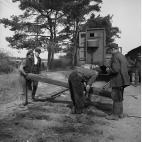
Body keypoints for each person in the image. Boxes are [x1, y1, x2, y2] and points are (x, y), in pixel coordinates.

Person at [106, 45, 130, 120]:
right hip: (123, 80)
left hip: (117, 80)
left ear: (113, 49)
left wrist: (108, 70)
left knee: (115, 97)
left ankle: (115, 115)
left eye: (110, 50)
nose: (110, 52)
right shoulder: (122, 56)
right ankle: (120, 113)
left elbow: (115, 70)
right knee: (119, 97)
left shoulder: (115, 56)